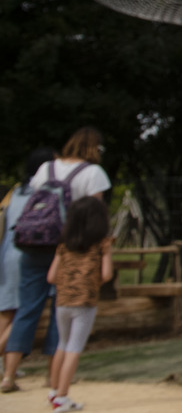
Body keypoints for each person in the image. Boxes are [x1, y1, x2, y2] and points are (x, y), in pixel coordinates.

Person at [3, 129, 109, 395]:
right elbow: (94, 215)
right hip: (67, 247)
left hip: (32, 244)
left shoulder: (46, 168)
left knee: (26, 309)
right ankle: (54, 378)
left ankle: (8, 375)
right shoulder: (92, 173)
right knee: (59, 311)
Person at [45, 197, 113, 412]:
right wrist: (105, 257)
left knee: (62, 344)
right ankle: (63, 397)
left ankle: (54, 391)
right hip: (85, 303)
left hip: (63, 302)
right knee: (74, 349)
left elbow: (51, 277)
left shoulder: (64, 246)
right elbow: (106, 275)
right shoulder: (101, 246)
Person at [0, 148, 58, 394]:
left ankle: (8, 374)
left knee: (7, 313)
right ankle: (41, 376)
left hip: (7, 254)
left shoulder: (15, 192)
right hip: (32, 254)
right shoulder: (47, 192)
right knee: (26, 310)